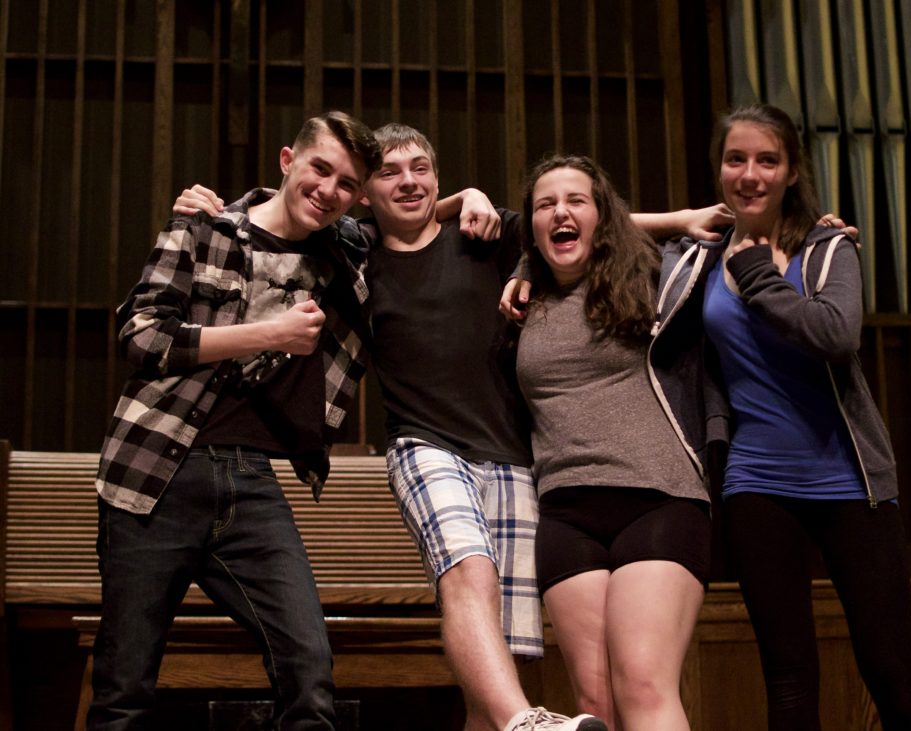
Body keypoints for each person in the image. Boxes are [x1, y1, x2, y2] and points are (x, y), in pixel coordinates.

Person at [176, 124, 728, 731]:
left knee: (489, 680)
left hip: (516, 463)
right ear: (364, 193)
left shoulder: (484, 238)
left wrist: (683, 219)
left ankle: (510, 720)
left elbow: (589, 225)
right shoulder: (353, 257)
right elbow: (289, 216)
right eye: (389, 172)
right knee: (468, 570)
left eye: (421, 168)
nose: (408, 182)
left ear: (437, 174)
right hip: (425, 446)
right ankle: (524, 721)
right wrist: (222, 210)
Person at [90, 110, 383, 729]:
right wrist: (265, 334)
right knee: (125, 689)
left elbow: (414, 216)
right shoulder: (204, 228)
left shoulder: (345, 252)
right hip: (156, 472)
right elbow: (140, 337)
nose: (328, 191)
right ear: (287, 161)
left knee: (309, 668)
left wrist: (469, 199)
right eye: (319, 169)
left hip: (249, 483)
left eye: (347, 184)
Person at [700, 103, 911, 730]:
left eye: (767, 160)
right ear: (719, 168)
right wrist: (682, 219)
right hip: (755, 483)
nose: (750, 174)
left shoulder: (829, 246)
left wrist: (758, 276)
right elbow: (602, 230)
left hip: (849, 480)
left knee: (889, 668)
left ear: (791, 171)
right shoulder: (695, 258)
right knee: (788, 680)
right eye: (736, 159)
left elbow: (835, 333)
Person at [512, 154, 723, 731]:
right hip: (564, 511)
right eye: (545, 204)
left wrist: (806, 232)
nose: (560, 212)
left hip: (657, 497)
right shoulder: (520, 298)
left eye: (576, 201)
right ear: (529, 224)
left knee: (644, 683)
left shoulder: (650, 277)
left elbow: (736, 245)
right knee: (596, 702)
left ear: (604, 217)